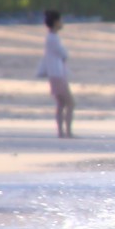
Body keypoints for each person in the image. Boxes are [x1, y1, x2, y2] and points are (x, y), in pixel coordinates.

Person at [38, 9, 74, 138]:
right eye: (60, 21)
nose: (62, 23)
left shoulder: (52, 37)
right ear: (56, 22)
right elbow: (63, 54)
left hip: (56, 74)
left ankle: (62, 132)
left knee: (61, 103)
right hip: (57, 74)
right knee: (69, 103)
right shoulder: (52, 38)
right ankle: (66, 132)